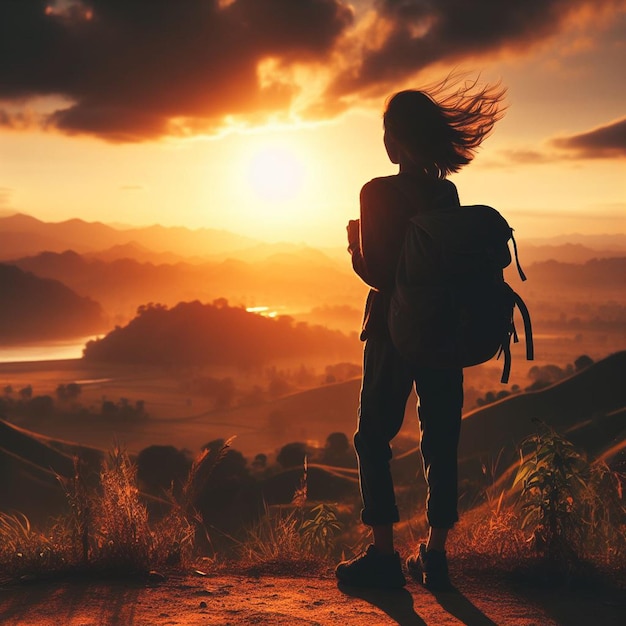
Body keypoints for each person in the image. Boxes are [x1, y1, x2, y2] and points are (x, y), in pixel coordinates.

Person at [335, 77, 506, 590]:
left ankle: (384, 557)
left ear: (395, 140)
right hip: (443, 331)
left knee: (372, 438)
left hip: (392, 331)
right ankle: (435, 555)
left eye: (386, 132)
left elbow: (384, 273)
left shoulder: (376, 193)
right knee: (440, 438)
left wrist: (352, 247)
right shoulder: (445, 191)